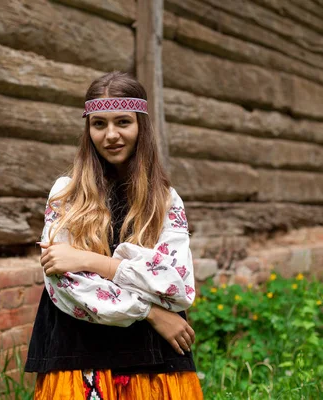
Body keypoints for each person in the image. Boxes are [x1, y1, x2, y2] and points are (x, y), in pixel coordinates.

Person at [25, 71, 203, 399]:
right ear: (88, 129)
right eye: (99, 124)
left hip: (152, 358)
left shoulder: (163, 199)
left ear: (141, 126)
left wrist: (89, 260)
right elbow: (66, 286)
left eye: (123, 122)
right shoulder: (66, 195)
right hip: (79, 351)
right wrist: (150, 312)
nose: (111, 135)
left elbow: (176, 284)